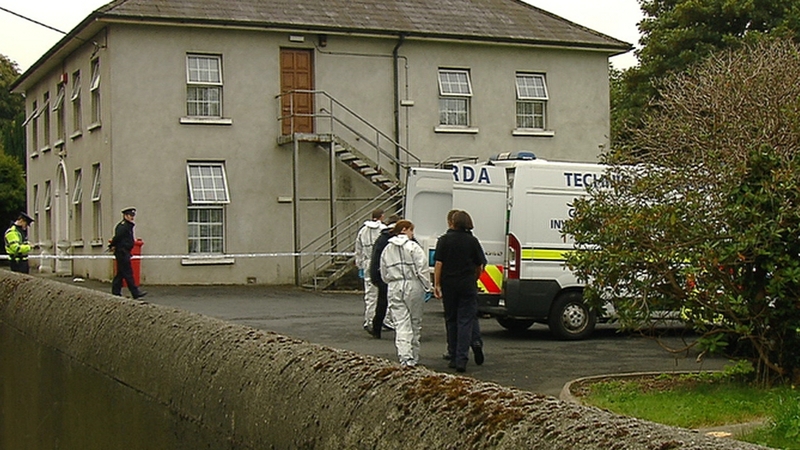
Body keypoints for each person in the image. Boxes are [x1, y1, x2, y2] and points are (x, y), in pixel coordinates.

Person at [434, 210, 487, 373]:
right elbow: (480, 265)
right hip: (467, 284)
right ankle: (462, 358)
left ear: (452, 223)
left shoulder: (444, 240)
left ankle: (453, 354)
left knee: (451, 320)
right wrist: (474, 278)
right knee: (465, 320)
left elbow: (439, 264)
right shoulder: (472, 241)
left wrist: (437, 284)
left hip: (449, 284)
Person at [380, 220, 431, 367]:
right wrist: (428, 287)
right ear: (405, 230)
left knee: (401, 323)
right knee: (415, 322)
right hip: (413, 284)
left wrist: (391, 281)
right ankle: (413, 356)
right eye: (411, 231)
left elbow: (384, 273)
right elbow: (422, 269)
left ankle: (404, 356)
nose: (412, 234)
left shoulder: (387, 249)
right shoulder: (414, 247)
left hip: (394, 285)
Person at [354, 209, 386, 334]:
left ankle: (369, 320)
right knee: (382, 295)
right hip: (380, 264)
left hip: (368, 263)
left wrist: (360, 265)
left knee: (370, 295)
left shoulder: (363, 231)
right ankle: (382, 320)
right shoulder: (383, 229)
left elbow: (358, 249)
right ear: (382, 217)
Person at [369, 214, 401, 339]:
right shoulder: (406, 238)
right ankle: (404, 330)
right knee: (402, 305)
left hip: (384, 275)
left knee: (382, 303)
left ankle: (376, 328)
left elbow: (376, 257)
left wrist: (374, 276)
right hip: (401, 276)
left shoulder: (382, 238)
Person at [108, 207, 147, 299]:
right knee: (128, 273)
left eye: (133, 216)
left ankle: (116, 291)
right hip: (122, 252)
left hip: (125, 251)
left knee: (121, 273)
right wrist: (112, 245)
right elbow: (117, 237)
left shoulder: (128, 226)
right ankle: (135, 292)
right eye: (130, 215)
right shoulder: (123, 226)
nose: (132, 218)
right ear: (125, 216)